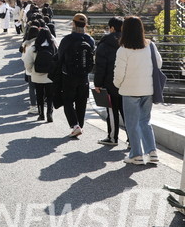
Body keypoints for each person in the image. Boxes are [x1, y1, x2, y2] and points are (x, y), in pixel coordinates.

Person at [114, 16, 162, 165]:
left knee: (132, 123)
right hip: (148, 89)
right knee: (145, 121)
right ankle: (152, 152)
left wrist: (117, 84)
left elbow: (119, 73)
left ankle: (136, 154)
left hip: (129, 91)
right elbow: (159, 64)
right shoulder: (150, 45)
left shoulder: (123, 50)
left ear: (125, 30)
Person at [57, 13, 95, 138]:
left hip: (68, 75)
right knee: (81, 102)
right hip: (84, 76)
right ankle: (80, 126)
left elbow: (59, 57)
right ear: (85, 25)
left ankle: (75, 125)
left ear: (73, 24)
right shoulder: (89, 40)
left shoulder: (67, 39)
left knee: (68, 101)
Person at [94, 16, 126, 146]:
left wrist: (98, 84)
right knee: (126, 111)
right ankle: (131, 139)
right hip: (126, 83)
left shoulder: (105, 43)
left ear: (112, 28)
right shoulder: (128, 41)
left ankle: (113, 137)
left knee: (112, 111)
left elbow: (100, 66)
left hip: (110, 82)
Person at [24, 28, 57, 122]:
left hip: (37, 75)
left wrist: (31, 70)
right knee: (50, 96)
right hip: (50, 76)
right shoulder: (53, 47)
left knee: (39, 95)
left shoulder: (34, 48)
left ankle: (41, 114)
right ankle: (49, 114)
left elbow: (27, 62)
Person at [20, 26, 40, 114]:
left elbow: (23, 57)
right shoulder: (40, 42)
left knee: (32, 88)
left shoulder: (25, 43)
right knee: (40, 88)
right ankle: (41, 105)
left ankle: (33, 106)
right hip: (40, 68)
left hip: (29, 69)